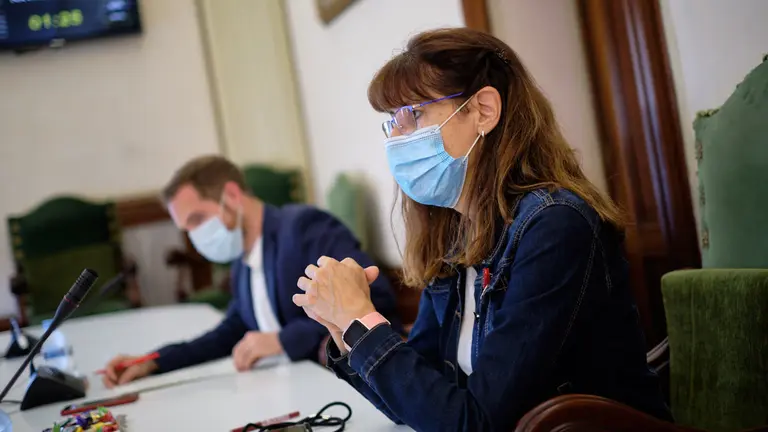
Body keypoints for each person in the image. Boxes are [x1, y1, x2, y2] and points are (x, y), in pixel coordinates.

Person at [292, 28, 672, 431]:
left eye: (414, 115)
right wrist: (343, 326)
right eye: (393, 122)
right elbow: (417, 401)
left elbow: (478, 423)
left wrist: (362, 319)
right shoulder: (454, 236)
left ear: (484, 110)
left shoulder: (557, 224)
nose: (397, 140)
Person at [101, 156, 401, 388]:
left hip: (348, 384)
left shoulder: (304, 227)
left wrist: (283, 340)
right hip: (291, 388)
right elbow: (229, 332)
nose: (193, 236)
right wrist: (153, 361)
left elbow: (376, 298)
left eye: (197, 220)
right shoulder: (243, 260)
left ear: (231, 195)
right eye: (186, 228)